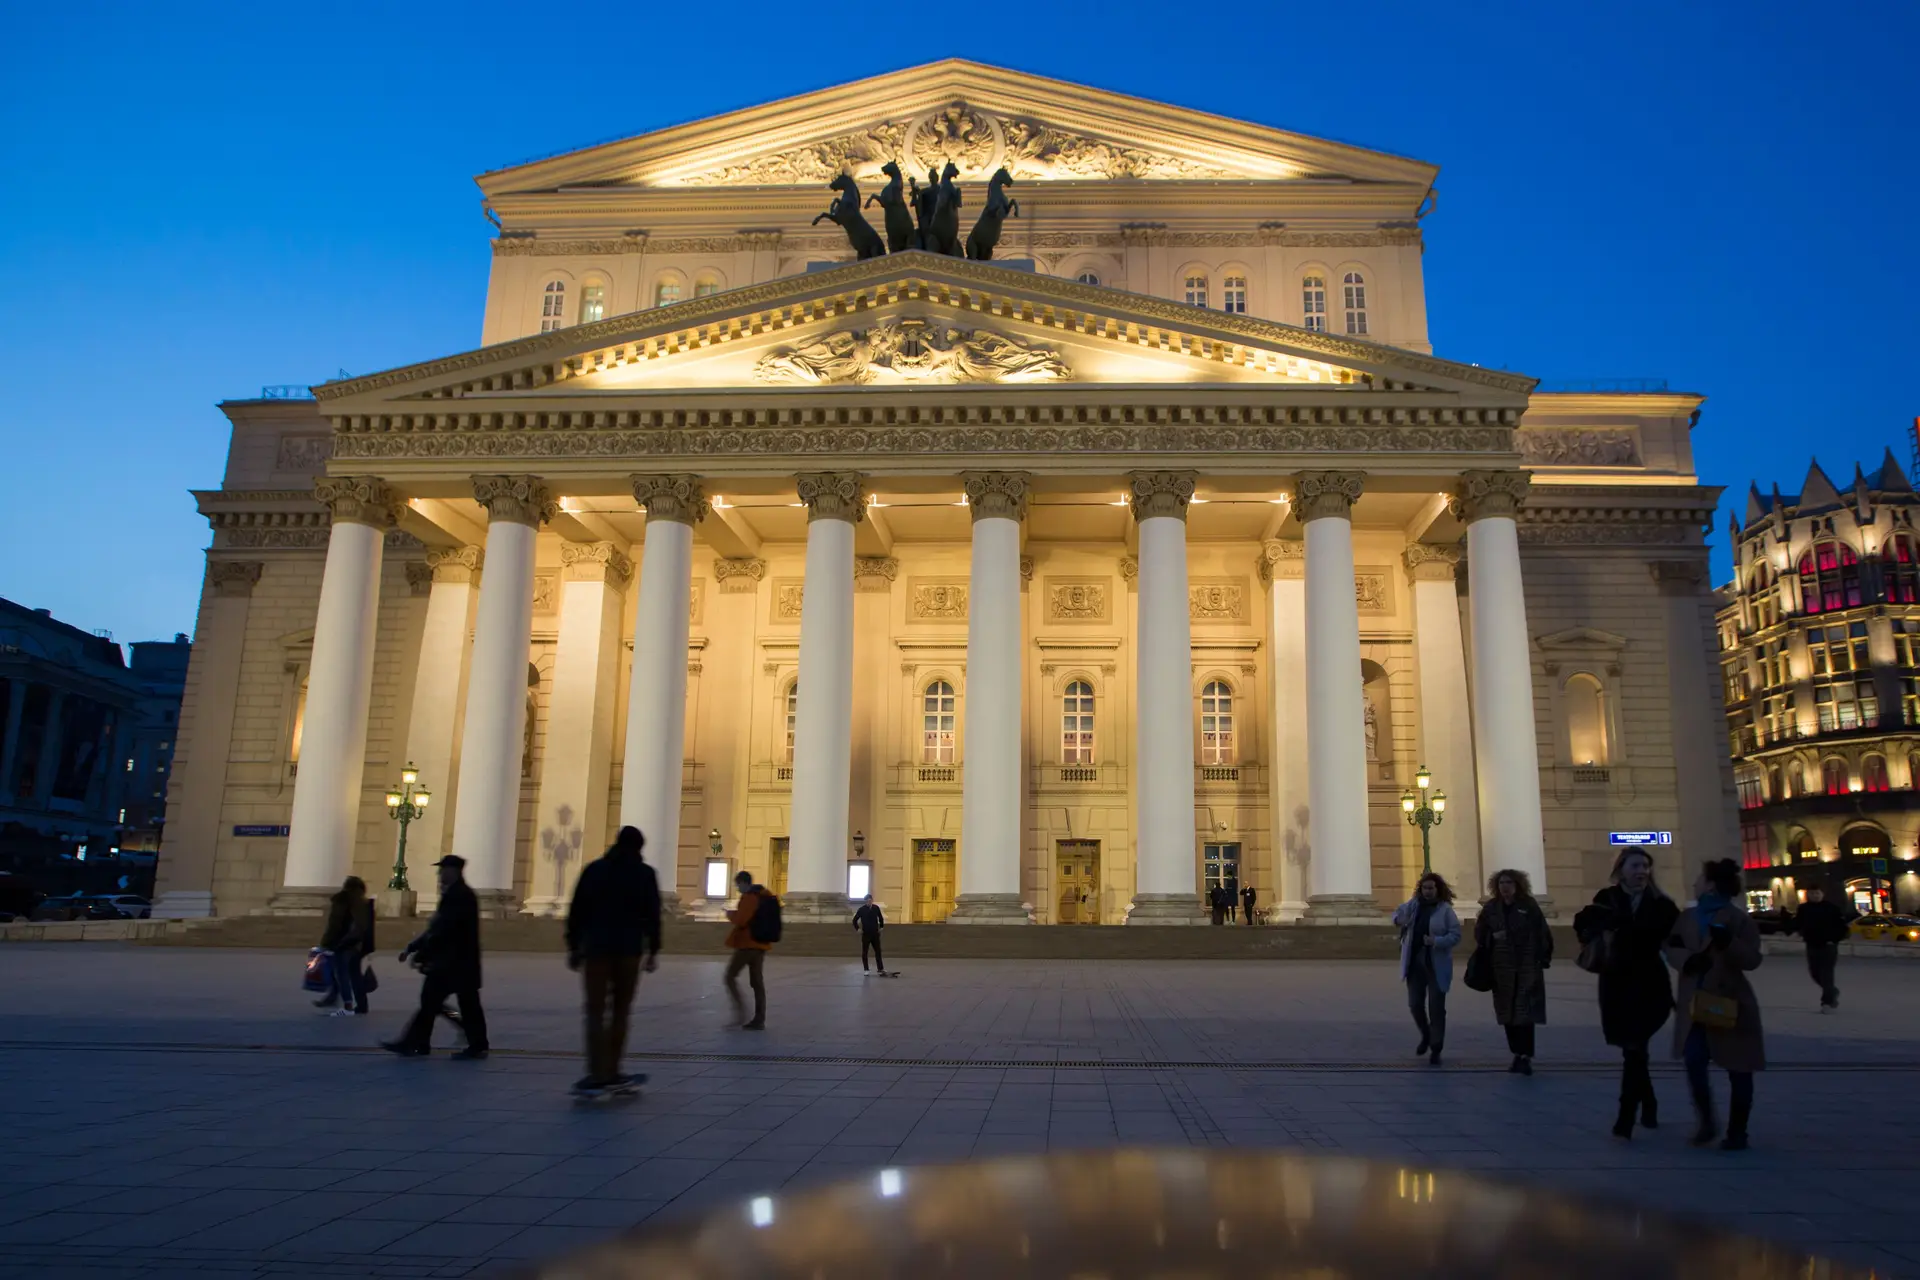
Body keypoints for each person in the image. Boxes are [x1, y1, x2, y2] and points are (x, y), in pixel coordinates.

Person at [1573, 849, 1679, 1139]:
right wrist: (1601, 929)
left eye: (1645, 866)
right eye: (1635, 866)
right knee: (1633, 1051)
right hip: (1617, 985)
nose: (1641, 871)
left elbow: (1675, 939)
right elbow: (1582, 923)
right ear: (1621, 869)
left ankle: (1625, 1116)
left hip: (1650, 986)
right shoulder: (1607, 899)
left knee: (1635, 1049)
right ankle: (1649, 1102)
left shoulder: (1661, 904)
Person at [1666, 857, 1765, 1150]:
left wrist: (1728, 943)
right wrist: (1687, 960)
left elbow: (1752, 959)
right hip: (1695, 1006)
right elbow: (1671, 946)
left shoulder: (1738, 919)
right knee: (1694, 1061)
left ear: (1710, 885)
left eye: (1699, 879)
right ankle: (1706, 1121)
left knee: (1740, 1068)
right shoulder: (1687, 917)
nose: (1694, 884)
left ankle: (1738, 1131)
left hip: (1730, 1003)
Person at [565, 825, 661, 1094]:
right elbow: (652, 915)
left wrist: (574, 946)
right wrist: (653, 950)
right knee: (621, 1011)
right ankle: (613, 1069)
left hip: (596, 949)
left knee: (595, 1012)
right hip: (629, 950)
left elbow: (577, 910)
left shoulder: (595, 870)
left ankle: (596, 1073)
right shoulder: (644, 874)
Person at [382, 855, 489, 1060]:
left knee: (439, 1001)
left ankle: (417, 1043)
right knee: (455, 1003)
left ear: (454, 871)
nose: (439, 874)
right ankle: (422, 1043)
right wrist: (414, 947)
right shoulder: (458, 894)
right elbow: (438, 928)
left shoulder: (459, 896)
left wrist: (421, 953)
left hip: (453, 961)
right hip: (457, 961)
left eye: (443, 870)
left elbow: (444, 930)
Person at [1474, 868, 1552, 1074]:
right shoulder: (1492, 908)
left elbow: (1542, 933)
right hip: (1501, 968)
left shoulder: (1528, 906)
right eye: (1502, 883)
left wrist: (1542, 958)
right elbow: (1480, 933)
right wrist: (1492, 937)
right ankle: (1517, 1052)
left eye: (1509, 883)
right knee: (1506, 1013)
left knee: (1524, 1013)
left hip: (1526, 966)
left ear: (1517, 885)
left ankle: (1525, 1055)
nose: (1505, 887)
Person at [1390, 872, 1462, 1066]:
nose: (1428, 891)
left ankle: (1436, 1047)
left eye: (1431, 888)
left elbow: (1455, 935)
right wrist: (1398, 920)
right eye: (1425, 888)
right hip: (1415, 964)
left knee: (1436, 1008)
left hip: (1436, 964)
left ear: (1438, 889)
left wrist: (1436, 941)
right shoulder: (1413, 906)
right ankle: (1426, 1034)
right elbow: (1396, 914)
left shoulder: (1445, 910)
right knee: (1415, 1004)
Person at [314, 876, 374, 1016]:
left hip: (343, 943)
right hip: (357, 944)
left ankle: (347, 1005)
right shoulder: (364, 903)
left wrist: (327, 942)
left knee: (341, 974)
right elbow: (366, 927)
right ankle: (361, 1005)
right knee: (354, 975)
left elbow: (335, 924)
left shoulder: (342, 900)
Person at [1792, 883, 1852, 1011]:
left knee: (1826, 974)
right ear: (1808, 895)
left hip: (1828, 945)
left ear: (1822, 894)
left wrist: (1834, 939)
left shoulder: (1831, 908)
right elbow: (1798, 923)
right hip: (1812, 944)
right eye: (1812, 893)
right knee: (1814, 973)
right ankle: (1832, 991)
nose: (1815, 896)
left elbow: (1842, 927)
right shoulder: (1803, 908)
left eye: (1817, 893)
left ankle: (1827, 1002)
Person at [724, 869, 771, 1030]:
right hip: (760, 944)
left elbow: (742, 920)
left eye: (738, 885)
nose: (738, 888)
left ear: (744, 883)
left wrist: (730, 914)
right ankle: (759, 1018)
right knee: (757, 982)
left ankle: (740, 1011)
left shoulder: (749, 898)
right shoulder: (762, 895)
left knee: (729, 976)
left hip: (747, 945)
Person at [852, 894, 886, 974]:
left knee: (878, 951)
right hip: (866, 934)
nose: (869, 902)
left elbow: (880, 918)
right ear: (865, 902)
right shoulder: (861, 910)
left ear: (872, 900)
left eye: (870, 900)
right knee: (865, 952)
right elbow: (854, 920)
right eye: (867, 901)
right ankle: (866, 969)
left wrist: (881, 926)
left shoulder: (876, 908)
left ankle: (880, 969)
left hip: (875, 933)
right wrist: (858, 929)